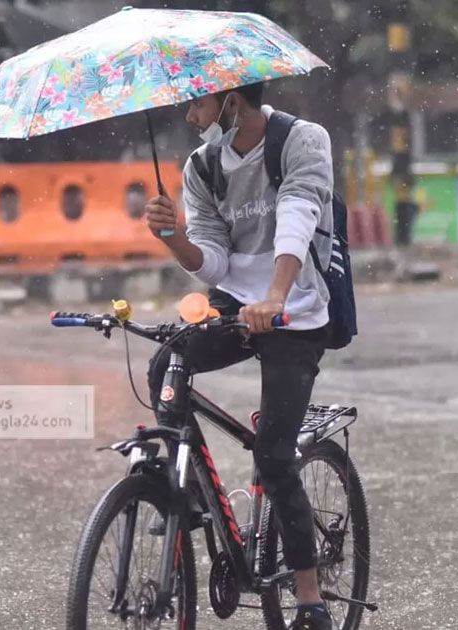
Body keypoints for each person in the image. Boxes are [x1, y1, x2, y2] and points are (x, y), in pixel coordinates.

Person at [144, 82, 336, 630]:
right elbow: (215, 265)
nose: (188, 115)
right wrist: (175, 237)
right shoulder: (202, 167)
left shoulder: (301, 140)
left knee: (275, 458)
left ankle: (309, 598)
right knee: (166, 365)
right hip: (235, 308)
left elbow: (298, 218)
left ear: (230, 100)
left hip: (295, 309)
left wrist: (275, 296)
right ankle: (187, 492)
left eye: (197, 103)